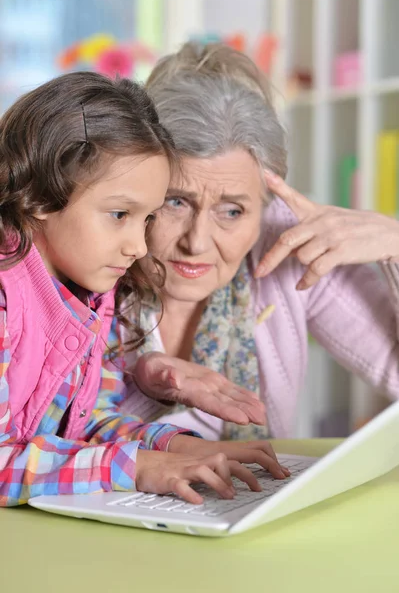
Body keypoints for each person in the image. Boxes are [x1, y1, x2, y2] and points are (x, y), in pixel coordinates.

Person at [0, 71, 289, 507]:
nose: (138, 247)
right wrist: (134, 466)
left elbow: (83, 421)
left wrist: (175, 446)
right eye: (119, 214)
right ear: (39, 197)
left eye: (149, 218)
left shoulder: (92, 293)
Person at [121, 42, 399, 441]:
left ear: (266, 210)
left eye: (232, 211)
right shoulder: (95, 252)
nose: (197, 243)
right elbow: (40, 437)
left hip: (253, 500)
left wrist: (395, 243)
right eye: (176, 202)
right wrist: (145, 390)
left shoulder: (285, 243)